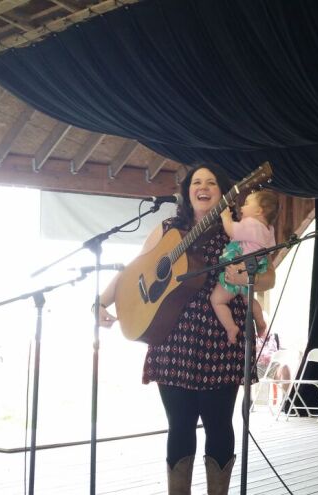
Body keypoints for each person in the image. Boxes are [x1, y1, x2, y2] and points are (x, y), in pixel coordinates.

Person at [95, 164, 275, 495]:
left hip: (221, 337)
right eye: (196, 182)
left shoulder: (237, 229)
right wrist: (101, 302)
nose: (203, 187)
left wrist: (248, 278)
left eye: (211, 182)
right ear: (187, 191)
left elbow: (269, 277)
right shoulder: (167, 229)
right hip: (172, 338)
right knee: (179, 426)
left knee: (219, 425)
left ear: (224, 193)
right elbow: (134, 270)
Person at [212, 190, 278, 345]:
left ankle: (230, 328)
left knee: (216, 300)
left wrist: (225, 216)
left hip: (237, 271)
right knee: (249, 300)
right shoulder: (269, 230)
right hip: (253, 270)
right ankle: (261, 322)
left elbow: (230, 229)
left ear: (258, 211)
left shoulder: (251, 224)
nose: (242, 206)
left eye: (247, 203)